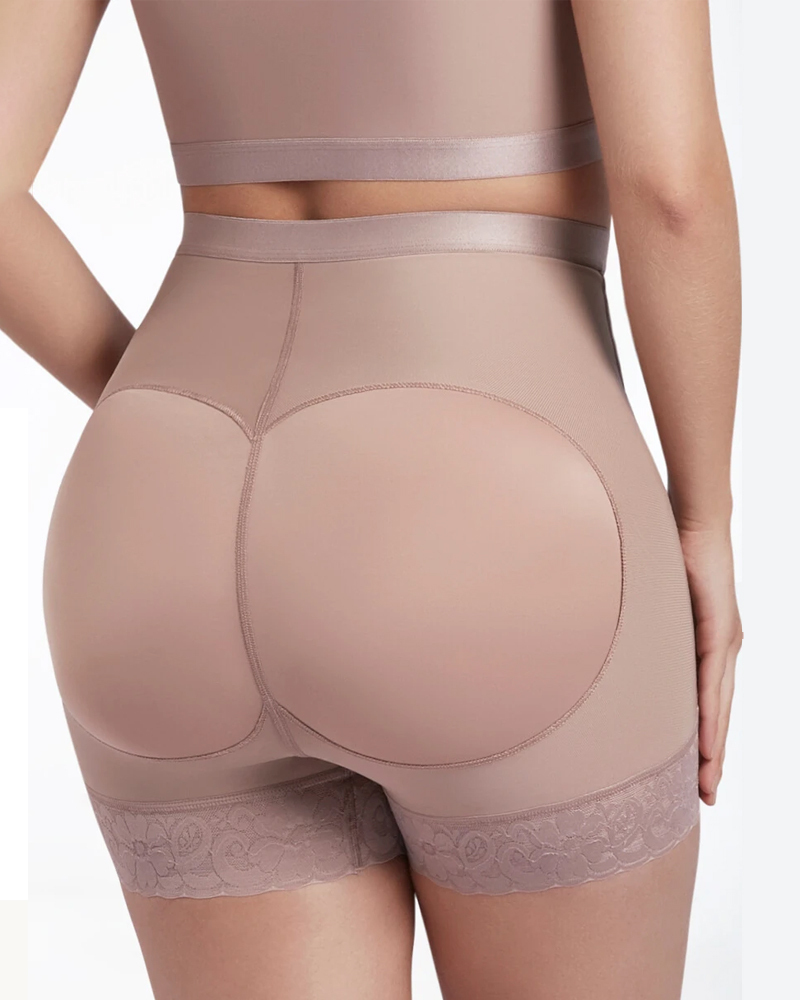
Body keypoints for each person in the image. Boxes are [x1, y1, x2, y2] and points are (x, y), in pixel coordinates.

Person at [0, 2, 741, 998]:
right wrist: (703, 516)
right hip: (490, 499)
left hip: (158, 502)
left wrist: (155, 405)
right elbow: (671, 191)